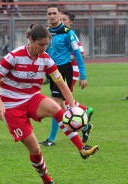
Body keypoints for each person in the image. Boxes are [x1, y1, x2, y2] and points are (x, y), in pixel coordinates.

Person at [0, 24, 99, 184]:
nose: (44, 48)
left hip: (32, 97)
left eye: (46, 44)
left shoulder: (46, 58)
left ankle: (82, 148)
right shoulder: (14, 56)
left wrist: (72, 107)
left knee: (56, 108)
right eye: (41, 44)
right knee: (35, 148)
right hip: (12, 106)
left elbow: (61, 84)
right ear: (31, 40)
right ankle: (46, 179)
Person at [39, 4, 93, 147]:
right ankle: (84, 121)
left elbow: (78, 55)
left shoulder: (68, 32)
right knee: (62, 105)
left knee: (55, 103)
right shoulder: (47, 32)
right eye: (49, 13)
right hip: (51, 70)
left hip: (64, 70)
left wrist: (83, 75)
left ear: (59, 15)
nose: (51, 16)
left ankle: (51, 139)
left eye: (54, 13)